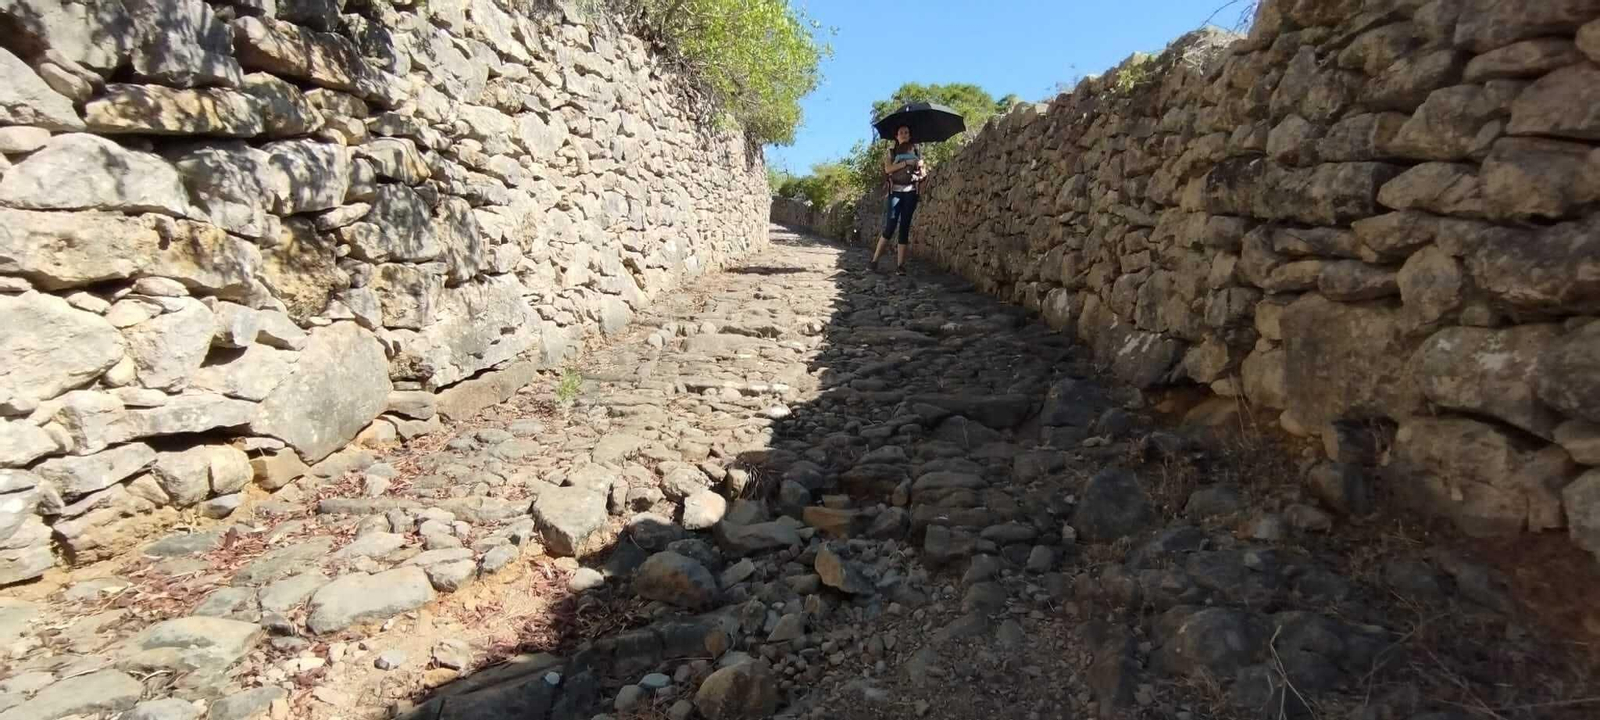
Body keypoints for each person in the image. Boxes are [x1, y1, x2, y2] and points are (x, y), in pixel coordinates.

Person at [869, 125, 924, 275]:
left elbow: (922, 172)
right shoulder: (891, 152)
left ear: (910, 135)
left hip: (911, 192)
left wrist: (921, 166)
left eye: (906, 132)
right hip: (895, 192)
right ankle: (874, 260)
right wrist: (905, 163)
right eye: (901, 133)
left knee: (904, 227)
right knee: (890, 226)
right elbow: (888, 169)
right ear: (896, 136)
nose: (904, 135)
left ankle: (900, 266)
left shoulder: (916, 151)